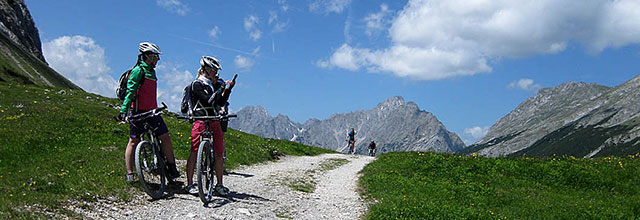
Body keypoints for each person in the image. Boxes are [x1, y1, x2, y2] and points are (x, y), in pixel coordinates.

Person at [117, 42, 180, 183]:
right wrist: (123, 111)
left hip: (153, 112)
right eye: (156, 56)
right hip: (138, 112)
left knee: (165, 137)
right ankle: (130, 173)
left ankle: (172, 167)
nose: (158, 59)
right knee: (133, 141)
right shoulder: (138, 71)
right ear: (149, 56)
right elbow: (130, 92)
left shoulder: (152, 71)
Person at [184, 56, 235, 196]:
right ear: (207, 69)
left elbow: (221, 101)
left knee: (219, 153)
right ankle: (189, 183)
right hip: (201, 120)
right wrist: (220, 88)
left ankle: (219, 184)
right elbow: (208, 101)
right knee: (194, 151)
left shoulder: (212, 84)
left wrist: (228, 89)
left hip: (214, 120)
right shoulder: (197, 84)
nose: (216, 73)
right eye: (214, 70)